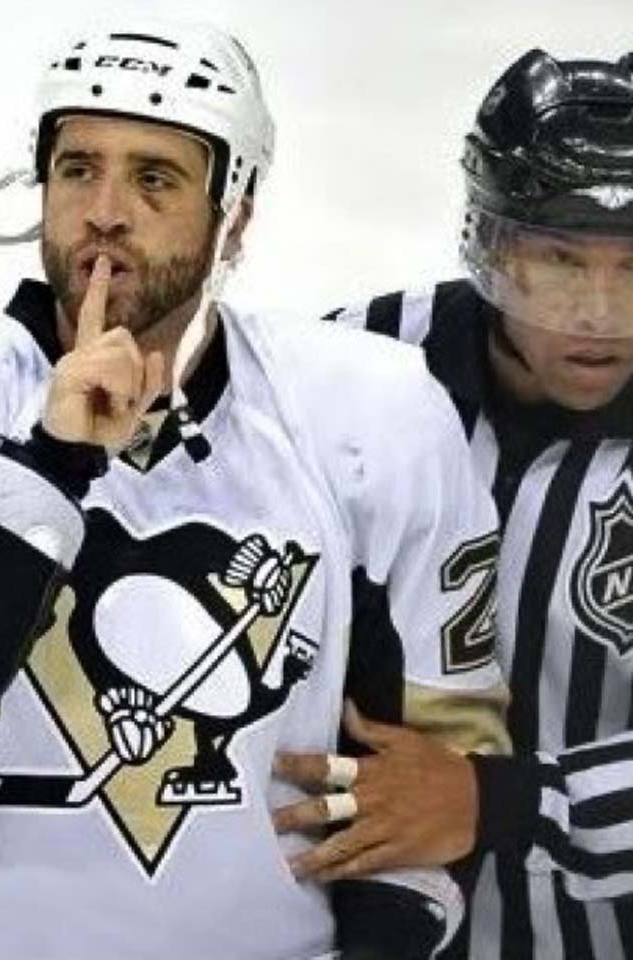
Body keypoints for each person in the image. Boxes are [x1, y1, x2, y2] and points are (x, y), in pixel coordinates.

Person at [0, 20, 508, 960]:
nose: (107, 212)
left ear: (235, 213)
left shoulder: (370, 415)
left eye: (155, 178)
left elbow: (434, 771)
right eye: (78, 169)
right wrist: (49, 462)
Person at [274, 49, 633, 959]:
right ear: (493, 247)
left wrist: (505, 802)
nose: (599, 313)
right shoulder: (350, 370)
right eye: (560, 260)